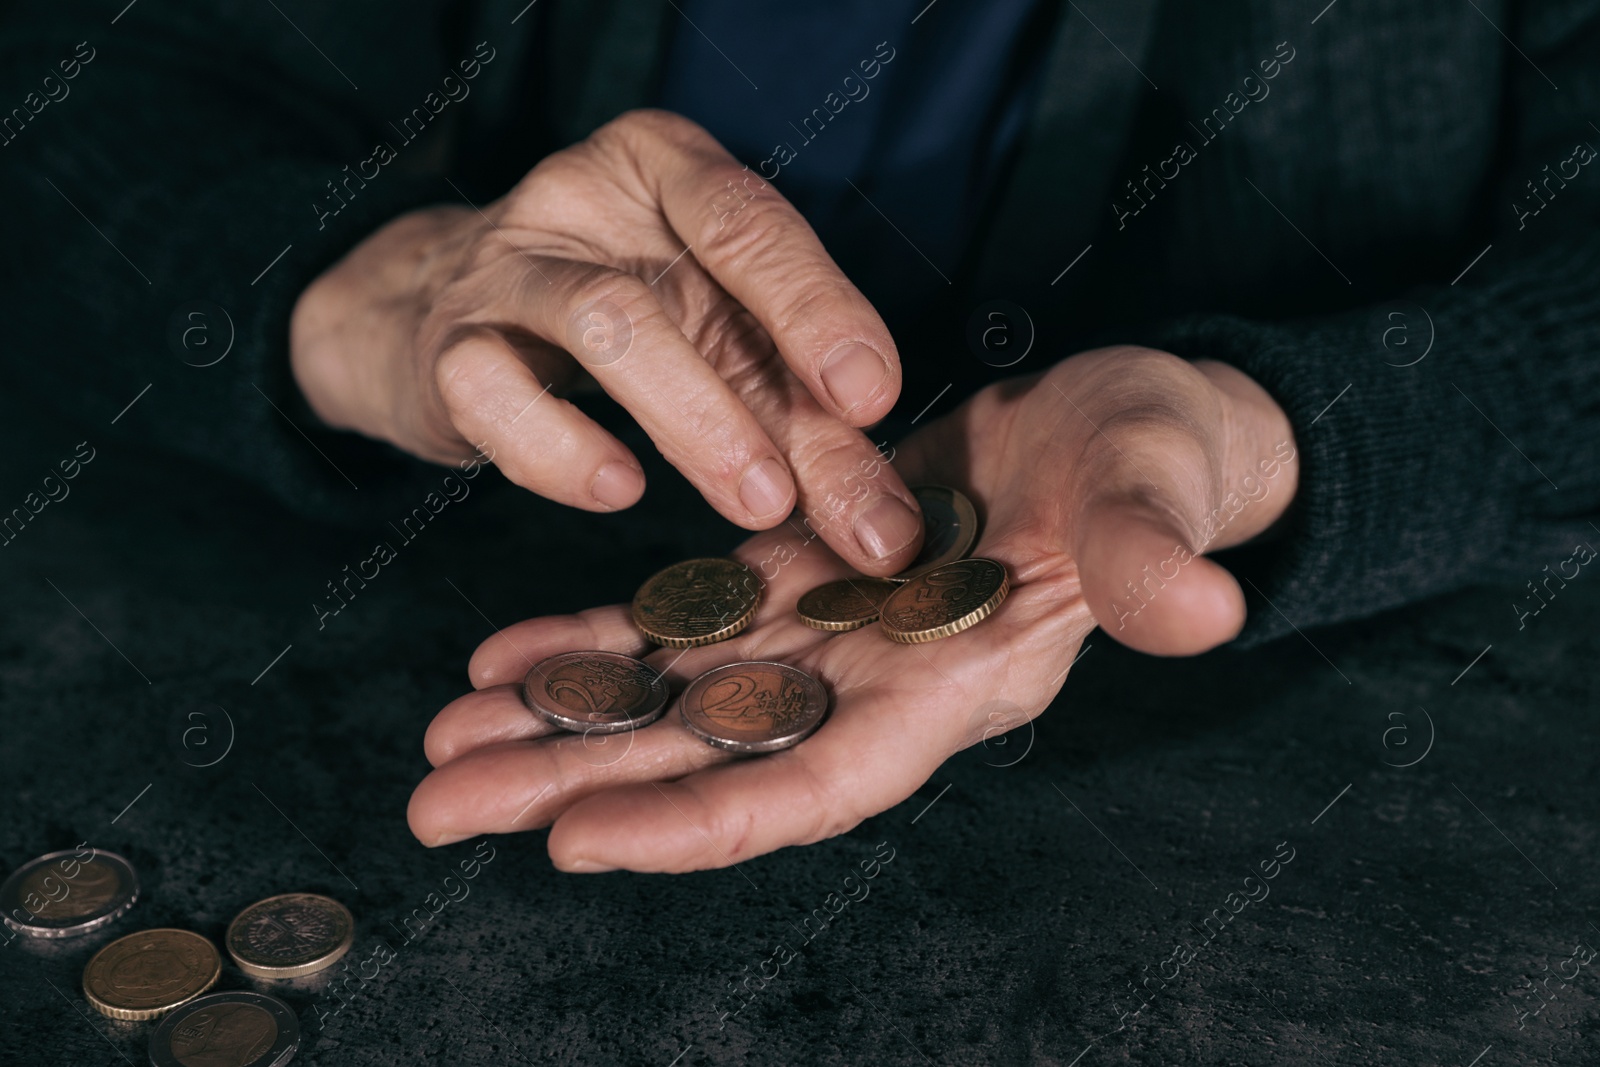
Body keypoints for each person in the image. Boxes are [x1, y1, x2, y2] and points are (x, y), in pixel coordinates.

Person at [3, 1, 1596, 872]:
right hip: (459, 585)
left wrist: (1275, 427)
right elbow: (78, 79)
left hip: (1343, 766)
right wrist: (358, 289)